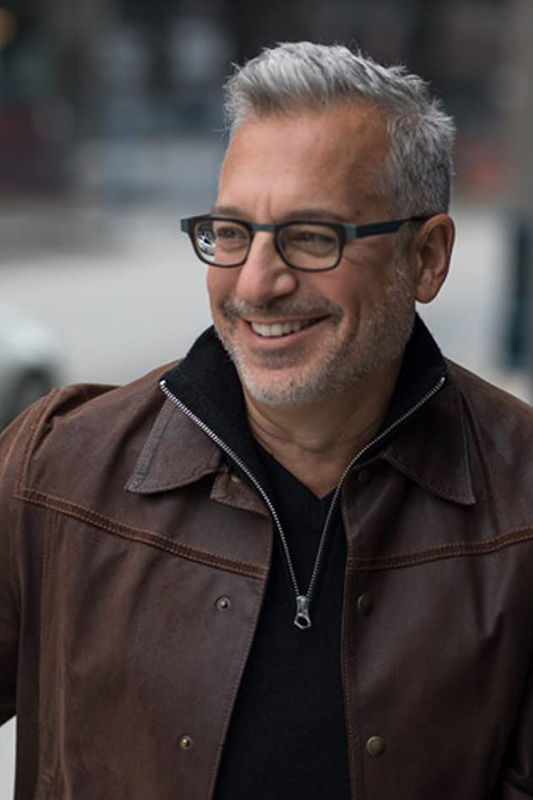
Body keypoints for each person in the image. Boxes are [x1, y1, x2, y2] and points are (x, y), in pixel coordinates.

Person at [0, 41, 532, 800]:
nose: (255, 283)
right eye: (230, 232)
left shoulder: (522, 503)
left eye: (312, 237)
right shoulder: (56, 472)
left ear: (426, 257)